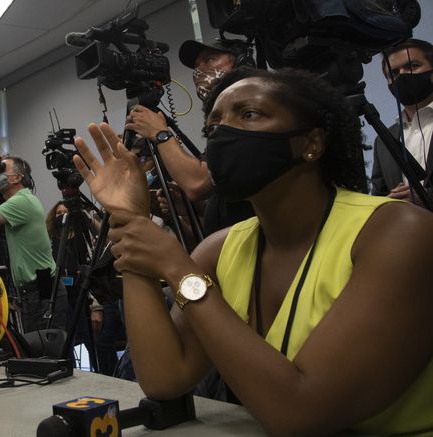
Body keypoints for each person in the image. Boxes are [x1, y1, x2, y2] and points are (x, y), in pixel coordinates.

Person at [73, 68, 433, 435]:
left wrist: (178, 269)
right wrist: (130, 220)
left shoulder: (398, 233)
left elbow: (300, 412)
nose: (223, 133)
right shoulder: (221, 248)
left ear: (311, 143)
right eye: (213, 128)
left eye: (248, 114)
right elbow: (166, 378)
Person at [125, 38, 255, 234]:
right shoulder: (220, 125)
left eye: (209, 59)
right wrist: (190, 210)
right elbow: (232, 202)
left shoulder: (252, 113)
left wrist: (159, 133)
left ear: (242, 61)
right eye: (196, 65)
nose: (199, 70)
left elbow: (197, 184)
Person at [0, 156, 68, 332]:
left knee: (48, 351)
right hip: (36, 287)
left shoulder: (21, 201)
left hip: (41, 288)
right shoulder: (18, 202)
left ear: (17, 177)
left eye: (2, 170)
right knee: (40, 349)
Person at [371, 38, 433, 202]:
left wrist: (425, 198)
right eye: (394, 73)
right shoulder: (383, 141)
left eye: (412, 66)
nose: (403, 75)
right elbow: (379, 195)